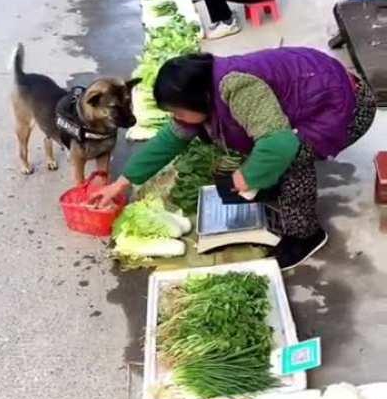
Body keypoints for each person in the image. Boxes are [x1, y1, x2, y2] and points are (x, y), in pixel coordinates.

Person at [90, 49, 376, 270]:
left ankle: (306, 235)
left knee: (290, 157)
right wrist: (122, 183)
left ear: (197, 99)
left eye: (178, 112)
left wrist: (247, 176)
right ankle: (276, 190)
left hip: (348, 105)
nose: (176, 119)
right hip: (316, 95)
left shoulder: (237, 89)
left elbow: (279, 144)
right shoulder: (203, 91)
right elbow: (171, 139)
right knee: (264, 152)